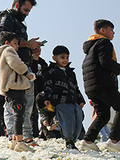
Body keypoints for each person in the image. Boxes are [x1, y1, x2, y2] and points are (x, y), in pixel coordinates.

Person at [0, 0, 43, 145]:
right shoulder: (6, 18)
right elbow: (4, 40)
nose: (27, 14)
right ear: (17, 6)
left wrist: (31, 47)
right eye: (25, 10)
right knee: (14, 102)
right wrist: (27, 44)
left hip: (24, 64)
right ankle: (13, 135)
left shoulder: (20, 22)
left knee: (27, 102)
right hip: (12, 65)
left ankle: (26, 135)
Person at [0, 32, 36, 152]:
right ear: (7, 43)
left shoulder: (2, 53)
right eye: (15, 43)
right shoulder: (9, 51)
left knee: (16, 113)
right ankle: (20, 142)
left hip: (10, 88)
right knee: (18, 115)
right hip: (15, 88)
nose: (17, 46)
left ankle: (15, 141)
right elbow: (16, 64)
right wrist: (27, 74)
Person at [79, 19, 120, 151]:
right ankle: (114, 141)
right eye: (111, 29)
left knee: (103, 114)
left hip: (92, 87)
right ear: (103, 30)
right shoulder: (104, 42)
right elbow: (106, 63)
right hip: (103, 84)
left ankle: (88, 141)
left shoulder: (91, 47)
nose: (113, 33)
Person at [43, 45, 85, 150]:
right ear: (54, 58)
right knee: (68, 119)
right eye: (62, 57)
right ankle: (69, 140)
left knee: (78, 119)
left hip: (73, 100)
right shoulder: (50, 72)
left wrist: (80, 99)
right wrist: (47, 99)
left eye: (67, 57)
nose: (65, 60)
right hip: (60, 101)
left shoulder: (71, 73)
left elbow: (76, 87)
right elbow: (47, 86)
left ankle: (73, 141)